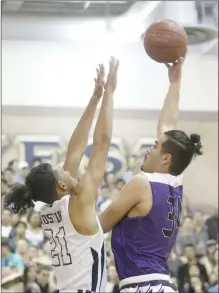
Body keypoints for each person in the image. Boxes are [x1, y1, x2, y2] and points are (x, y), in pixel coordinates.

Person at [5, 57, 119, 292]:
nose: (67, 168)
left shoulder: (50, 209)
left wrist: (94, 98)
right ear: (62, 185)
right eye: (62, 170)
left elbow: (76, 149)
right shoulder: (79, 202)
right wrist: (109, 92)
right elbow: (102, 145)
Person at [100, 57, 203, 292]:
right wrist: (175, 83)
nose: (149, 148)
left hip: (142, 285)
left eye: (155, 146)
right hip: (159, 283)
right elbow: (167, 126)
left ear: (166, 158)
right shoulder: (175, 181)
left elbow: (100, 224)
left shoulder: (141, 183)